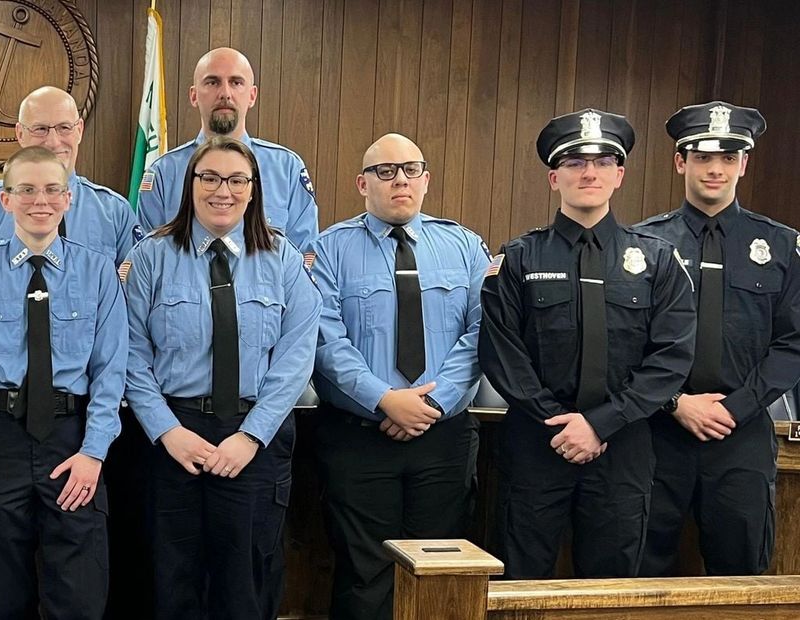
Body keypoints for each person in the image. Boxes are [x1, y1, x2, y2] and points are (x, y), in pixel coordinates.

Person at [479, 108, 696, 579]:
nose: (589, 173)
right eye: (575, 163)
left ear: (619, 175)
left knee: (611, 588)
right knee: (522, 584)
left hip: (624, 445)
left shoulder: (657, 260)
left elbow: (671, 357)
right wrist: (559, 423)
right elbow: (502, 352)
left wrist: (600, 424)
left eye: (602, 162)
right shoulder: (518, 258)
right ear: (554, 177)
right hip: (539, 442)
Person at [123, 136, 320, 619]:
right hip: (173, 438)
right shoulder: (152, 256)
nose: (222, 191)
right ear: (190, 186)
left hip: (256, 438)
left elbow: (297, 355)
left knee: (247, 583)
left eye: (236, 180)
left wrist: (250, 438)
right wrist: (168, 432)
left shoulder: (281, 258)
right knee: (172, 581)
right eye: (209, 178)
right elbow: (128, 352)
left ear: (253, 190)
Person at [0, 146, 127, 618]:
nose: (39, 200)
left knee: (78, 591)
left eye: (51, 190)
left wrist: (94, 451)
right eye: (26, 190)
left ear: (68, 199)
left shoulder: (98, 270)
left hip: (72, 440)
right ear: (5, 200)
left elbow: (110, 371)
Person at [311, 133, 488, 618]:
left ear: (426, 180)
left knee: (441, 574)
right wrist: (384, 399)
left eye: (411, 169)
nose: (400, 181)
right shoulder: (329, 250)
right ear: (362, 184)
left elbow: (480, 335)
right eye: (385, 172)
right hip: (359, 439)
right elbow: (325, 339)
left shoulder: (465, 246)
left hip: (443, 437)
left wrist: (429, 405)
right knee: (364, 574)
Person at [634, 101, 800, 576]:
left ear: (744, 164)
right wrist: (675, 403)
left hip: (740, 436)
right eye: (703, 157)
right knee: (639, 577)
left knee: (741, 577)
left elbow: (793, 344)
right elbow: (627, 344)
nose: (715, 170)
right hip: (657, 433)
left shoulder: (784, 246)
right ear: (680, 162)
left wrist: (734, 408)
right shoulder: (643, 246)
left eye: (728, 158)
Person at [136, 47, 318, 252]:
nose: (225, 93)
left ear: (252, 95)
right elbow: (147, 259)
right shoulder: (162, 173)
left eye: (236, 82)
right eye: (212, 82)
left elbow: (305, 258)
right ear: (194, 96)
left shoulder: (287, 170)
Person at [0, 86, 136, 268]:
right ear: (20, 134)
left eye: (64, 127)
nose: (53, 142)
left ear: (79, 130)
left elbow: (130, 292)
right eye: (40, 129)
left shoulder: (115, 212)